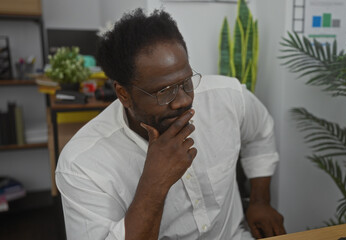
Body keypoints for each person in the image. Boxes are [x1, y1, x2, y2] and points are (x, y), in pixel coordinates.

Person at [56, 8, 285, 240]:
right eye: (164, 91)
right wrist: (154, 183)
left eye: (186, 82)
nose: (184, 100)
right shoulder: (82, 165)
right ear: (123, 94)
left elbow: (260, 133)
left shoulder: (227, 97)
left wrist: (259, 201)